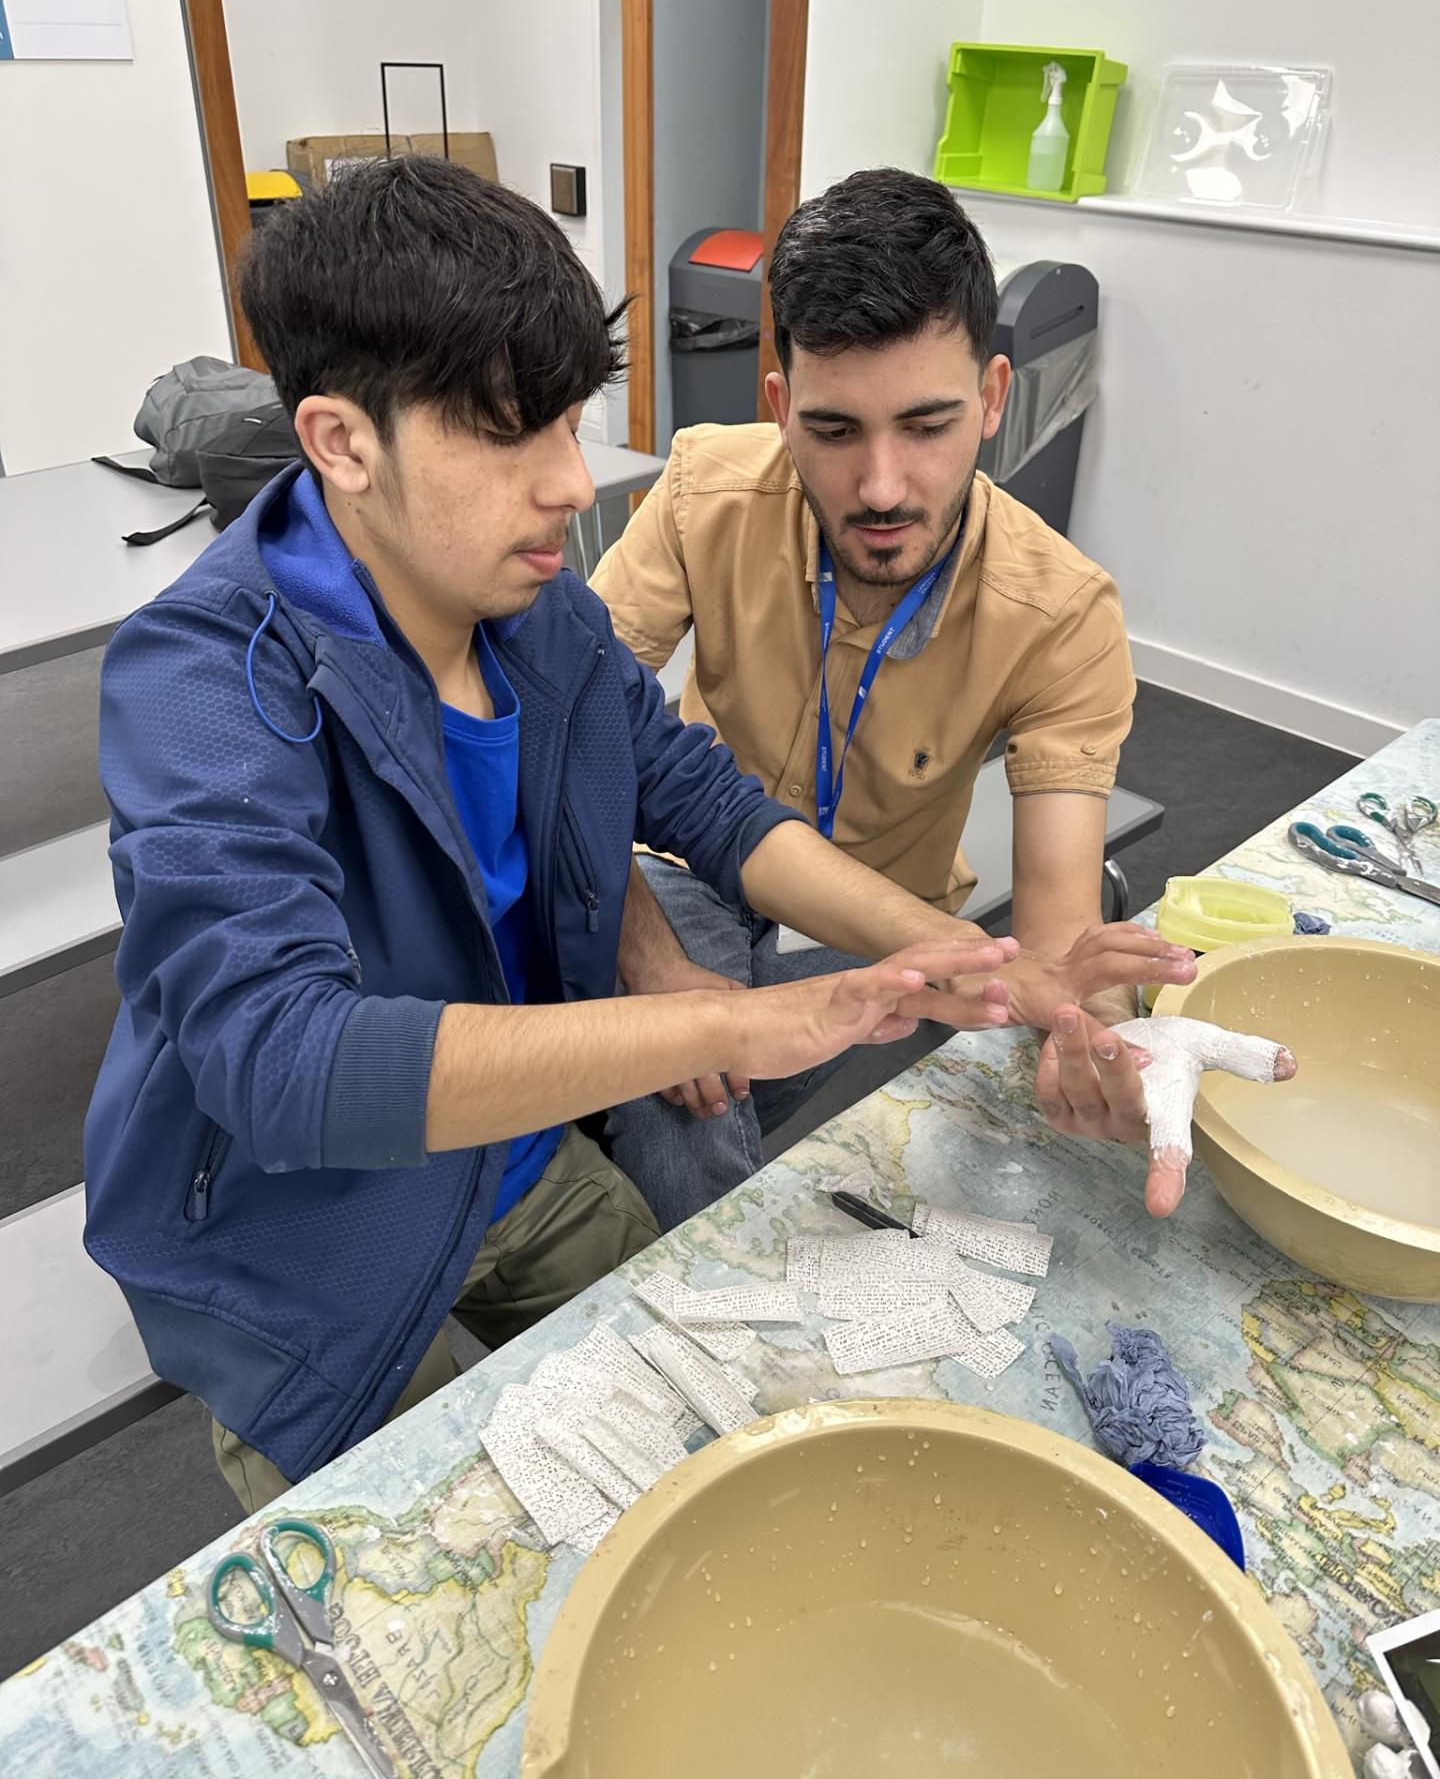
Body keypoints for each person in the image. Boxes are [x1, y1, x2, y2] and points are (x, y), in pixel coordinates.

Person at [83, 157, 1023, 1512]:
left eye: (570, 425)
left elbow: (700, 800)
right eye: (508, 436)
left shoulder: (536, 609)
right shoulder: (201, 682)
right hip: (295, 1237)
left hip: (508, 1155)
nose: (571, 485)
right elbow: (278, 1062)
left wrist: (952, 955)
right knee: (420, 1587)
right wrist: (726, 1023)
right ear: (344, 442)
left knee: (699, 1463)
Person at [592, 167, 1197, 1229]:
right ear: (779, 408)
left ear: (995, 399)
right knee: (677, 1105)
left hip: (883, 904)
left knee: (679, 1084)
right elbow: (560, 731)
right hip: (692, 863)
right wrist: (649, 958)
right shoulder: (701, 491)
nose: (880, 486)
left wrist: (1092, 1032)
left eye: (928, 426)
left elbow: (1052, 938)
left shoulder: (1060, 611)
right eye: (834, 432)